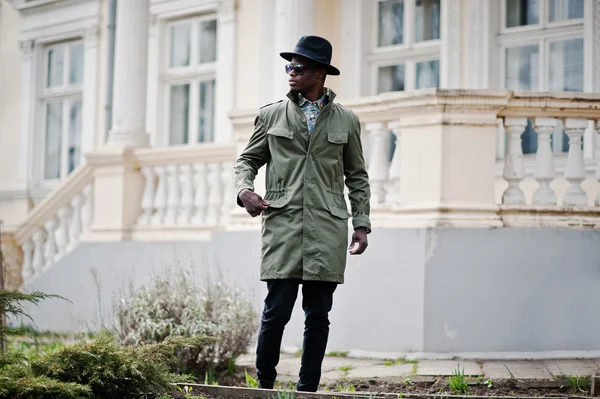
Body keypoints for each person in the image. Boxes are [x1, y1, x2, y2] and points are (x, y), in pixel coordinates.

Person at [234, 35, 371, 393]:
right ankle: (265, 385)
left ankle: (307, 388)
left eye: (300, 67)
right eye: (289, 66)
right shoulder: (270, 115)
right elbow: (247, 160)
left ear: (320, 73)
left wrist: (361, 224)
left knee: (318, 315)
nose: (291, 73)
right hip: (282, 224)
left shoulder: (347, 120)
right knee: (276, 310)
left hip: (327, 227)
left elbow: (357, 176)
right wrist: (243, 190)